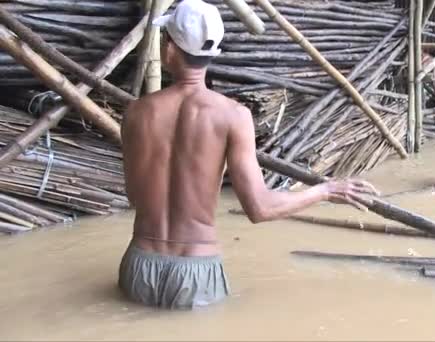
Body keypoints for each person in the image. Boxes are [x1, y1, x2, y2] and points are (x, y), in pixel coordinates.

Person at [119, 0, 378, 310]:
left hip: (139, 266)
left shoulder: (135, 113)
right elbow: (260, 208)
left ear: (170, 48)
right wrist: (324, 191)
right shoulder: (233, 116)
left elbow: (135, 196)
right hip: (197, 270)